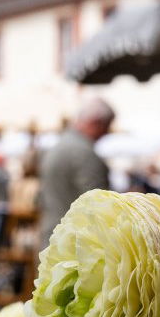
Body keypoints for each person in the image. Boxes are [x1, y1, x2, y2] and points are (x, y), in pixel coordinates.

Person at [38, 98, 113, 245]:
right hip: (75, 244)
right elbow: (99, 205)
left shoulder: (58, 146)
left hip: (53, 236)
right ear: (95, 122)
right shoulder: (84, 154)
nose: (107, 133)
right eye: (106, 126)